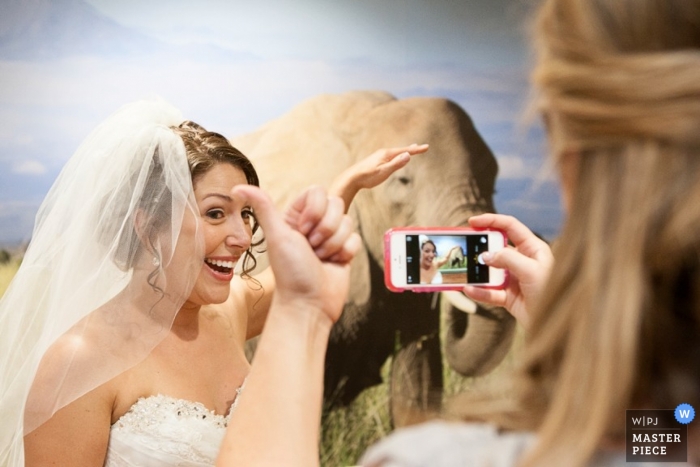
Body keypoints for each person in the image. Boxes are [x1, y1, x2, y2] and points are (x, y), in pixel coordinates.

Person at [216, 0, 700, 465]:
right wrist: (580, 350)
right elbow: (663, 443)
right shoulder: (675, 436)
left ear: (565, 154)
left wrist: (300, 312)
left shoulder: (436, 460)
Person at [0, 98, 425, 466]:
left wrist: (345, 187)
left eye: (245, 214)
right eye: (216, 213)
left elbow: (298, 281)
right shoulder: (77, 361)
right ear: (149, 226)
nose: (241, 237)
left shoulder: (229, 311)